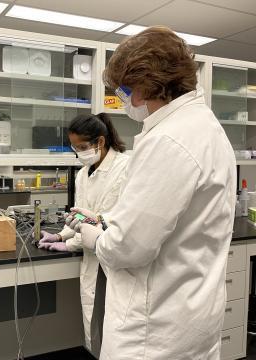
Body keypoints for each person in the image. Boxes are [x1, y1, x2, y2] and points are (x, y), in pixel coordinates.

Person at [67, 26, 236, 359]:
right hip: (190, 314)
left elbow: (128, 249)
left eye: (125, 90)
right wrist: (106, 218)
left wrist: (93, 236)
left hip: (154, 330)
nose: (126, 100)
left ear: (146, 85)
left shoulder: (169, 140)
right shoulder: (204, 128)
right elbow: (173, 216)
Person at [37, 113, 129, 356]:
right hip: (91, 256)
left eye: (82, 147)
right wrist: (60, 236)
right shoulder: (82, 173)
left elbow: (105, 221)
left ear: (100, 141)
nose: (79, 153)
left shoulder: (124, 167)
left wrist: (71, 245)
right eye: (75, 148)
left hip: (113, 258)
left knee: (114, 328)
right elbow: (80, 215)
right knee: (95, 324)